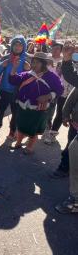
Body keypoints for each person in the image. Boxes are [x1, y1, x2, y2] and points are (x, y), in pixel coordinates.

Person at [9, 52, 63, 154]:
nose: (33, 65)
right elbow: (13, 80)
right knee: (21, 125)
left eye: (36, 62)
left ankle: (29, 147)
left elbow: (60, 89)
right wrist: (14, 68)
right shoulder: (28, 74)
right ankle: (19, 142)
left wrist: (48, 96)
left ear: (44, 63)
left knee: (33, 128)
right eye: (32, 62)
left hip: (39, 108)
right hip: (23, 106)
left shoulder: (52, 77)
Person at [0, 35, 30, 139]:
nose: (17, 47)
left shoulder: (27, 61)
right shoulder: (5, 58)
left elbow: (30, 79)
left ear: (24, 47)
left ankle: (12, 131)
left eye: (20, 45)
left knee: (15, 113)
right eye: (15, 45)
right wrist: (2, 65)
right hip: (4, 90)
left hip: (17, 92)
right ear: (11, 46)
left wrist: (28, 69)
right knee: (0, 110)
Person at [52, 42, 78, 178]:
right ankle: (64, 168)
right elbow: (71, 98)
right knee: (70, 148)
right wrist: (65, 115)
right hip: (76, 125)